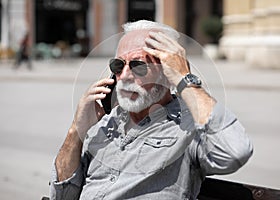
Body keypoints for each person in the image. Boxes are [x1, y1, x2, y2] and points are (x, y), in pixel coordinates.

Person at [50, 20, 253, 200]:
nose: (125, 76)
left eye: (139, 66)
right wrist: (76, 131)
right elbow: (61, 196)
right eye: (118, 66)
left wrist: (184, 79)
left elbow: (235, 153)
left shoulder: (189, 127)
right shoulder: (103, 124)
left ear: (167, 73)